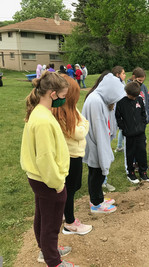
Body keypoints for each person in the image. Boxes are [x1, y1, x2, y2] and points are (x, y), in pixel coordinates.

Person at [20, 72, 78, 266]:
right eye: (62, 96)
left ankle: (46, 250)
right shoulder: (43, 120)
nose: (63, 100)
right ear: (52, 94)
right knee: (51, 222)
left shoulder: (40, 112)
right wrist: (57, 184)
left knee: (43, 216)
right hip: (48, 179)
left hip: (39, 177)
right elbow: (45, 158)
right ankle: (53, 260)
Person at [52, 75, 92, 235]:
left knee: (75, 187)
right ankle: (70, 222)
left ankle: (64, 213)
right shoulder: (61, 114)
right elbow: (80, 131)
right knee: (70, 189)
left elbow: (82, 121)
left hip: (76, 154)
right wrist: (84, 124)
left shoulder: (71, 109)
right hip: (70, 156)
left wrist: (83, 123)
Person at [82, 72, 126, 213]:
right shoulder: (95, 101)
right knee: (96, 173)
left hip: (96, 142)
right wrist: (103, 151)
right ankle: (96, 204)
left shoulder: (98, 98)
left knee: (96, 172)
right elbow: (99, 129)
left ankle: (98, 198)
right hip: (96, 143)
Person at [115, 82, 149, 183]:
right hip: (129, 134)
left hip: (140, 133)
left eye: (136, 96)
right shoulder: (121, 103)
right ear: (127, 93)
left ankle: (143, 172)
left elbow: (143, 113)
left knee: (142, 152)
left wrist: (143, 125)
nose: (134, 98)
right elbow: (118, 117)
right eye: (132, 96)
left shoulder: (139, 100)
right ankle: (131, 173)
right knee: (130, 154)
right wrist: (124, 128)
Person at [112, 65, 126, 153]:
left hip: (121, 109)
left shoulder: (122, 83)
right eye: (123, 73)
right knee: (115, 129)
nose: (125, 75)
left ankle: (119, 146)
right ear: (117, 75)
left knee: (122, 128)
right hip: (117, 110)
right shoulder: (116, 84)